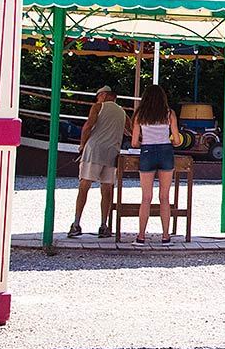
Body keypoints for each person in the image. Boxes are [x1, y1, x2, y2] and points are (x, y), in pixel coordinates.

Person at [70, 86, 127, 239]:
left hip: (94, 150)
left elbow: (88, 125)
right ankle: (104, 225)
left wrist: (82, 145)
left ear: (103, 95)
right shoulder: (122, 112)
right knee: (107, 189)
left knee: (84, 186)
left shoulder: (98, 107)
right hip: (112, 152)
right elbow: (130, 131)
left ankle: (76, 223)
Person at [132, 84, 181, 244]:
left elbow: (134, 142)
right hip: (166, 151)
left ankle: (141, 236)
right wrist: (172, 142)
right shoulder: (169, 113)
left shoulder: (140, 114)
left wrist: (143, 143)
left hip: (147, 151)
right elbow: (177, 140)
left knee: (146, 197)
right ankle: (165, 236)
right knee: (164, 197)